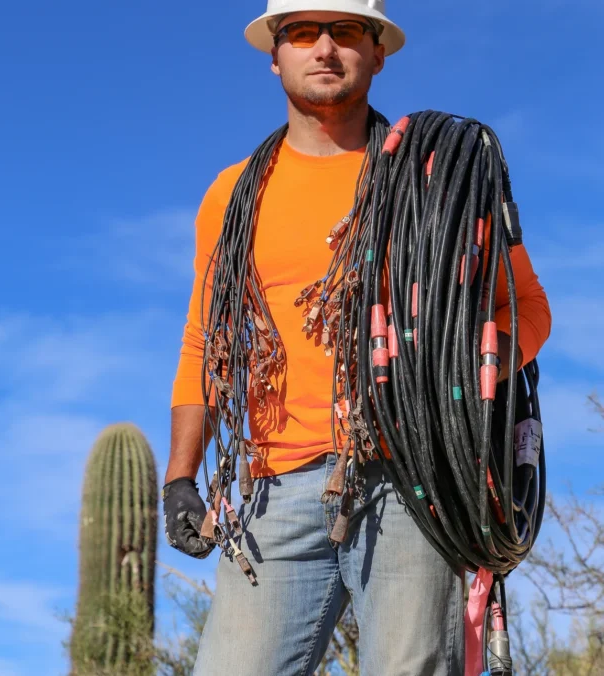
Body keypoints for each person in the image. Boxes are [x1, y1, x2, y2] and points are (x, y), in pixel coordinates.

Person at [163, 1, 552, 674]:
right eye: (302, 33)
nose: (323, 48)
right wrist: (179, 478)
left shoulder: (434, 181)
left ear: (376, 52)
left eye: (344, 31)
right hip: (271, 488)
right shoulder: (232, 195)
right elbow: (205, 339)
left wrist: (449, 400)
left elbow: (524, 308)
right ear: (274, 54)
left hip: (407, 482)